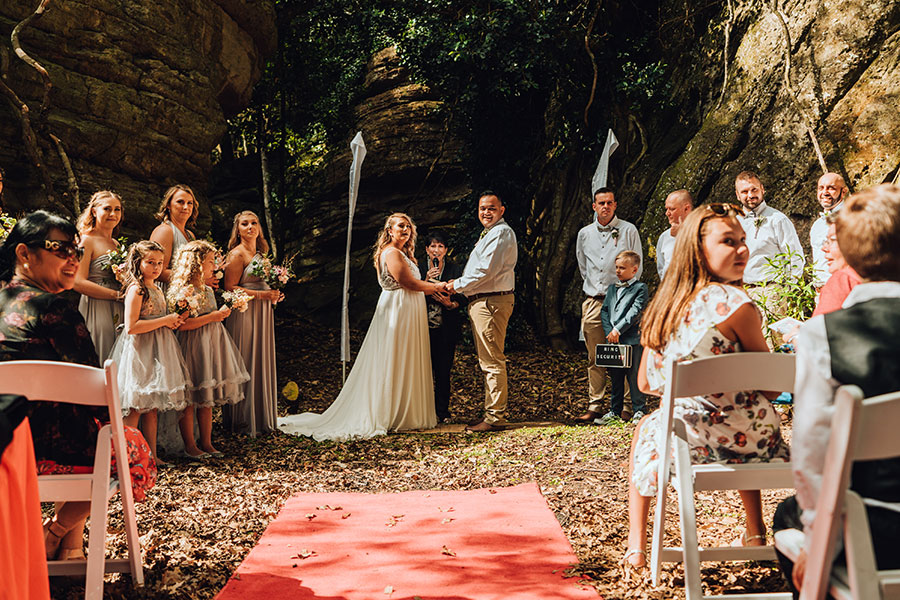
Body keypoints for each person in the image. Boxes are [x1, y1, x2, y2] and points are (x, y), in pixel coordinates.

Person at [622, 204, 790, 568]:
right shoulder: (738, 305)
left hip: (687, 443)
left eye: (743, 240)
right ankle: (755, 529)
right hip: (753, 439)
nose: (742, 249)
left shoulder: (664, 307)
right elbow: (772, 383)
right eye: (729, 241)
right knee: (740, 410)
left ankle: (637, 545)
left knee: (647, 426)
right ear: (699, 250)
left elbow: (646, 382)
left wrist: (694, 397)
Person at [0, 210, 156, 561]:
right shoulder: (56, 310)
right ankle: (54, 533)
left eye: (77, 251)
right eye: (60, 249)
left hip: (6, 443)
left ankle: (71, 549)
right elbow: (97, 395)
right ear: (24, 254)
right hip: (48, 451)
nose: (72, 259)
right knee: (131, 450)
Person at [773, 184, 900, 594]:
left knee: (787, 517)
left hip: (876, 529)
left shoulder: (821, 336)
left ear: (848, 252)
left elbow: (811, 452)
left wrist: (819, 543)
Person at [278, 213, 441, 440]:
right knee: (395, 356)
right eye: (400, 226)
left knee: (406, 356)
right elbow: (408, 283)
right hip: (398, 309)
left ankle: (404, 411)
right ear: (390, 231)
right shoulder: (392, 253)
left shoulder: (403, 253)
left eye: (408, 227)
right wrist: (439, 287)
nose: (405, 230)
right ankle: (389, 412)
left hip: (408, 307)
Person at [108, 241, 191, 466]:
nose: (156, 267)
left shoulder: (156, 288)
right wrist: (164, 320)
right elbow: (131, 326)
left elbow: (159, 317)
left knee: (152, 407)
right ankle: (127, 458)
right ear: (138, 263)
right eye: (150, 262)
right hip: (140, 350)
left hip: (158, 348)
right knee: (136, 405)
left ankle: (151, 456)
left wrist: (173, 320)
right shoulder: (136, 289)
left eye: (160, 263)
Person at [168, 240, 249, 458]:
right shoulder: (184, 291)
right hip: (191, 345)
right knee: (189, 397)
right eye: (210, 261)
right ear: (196, 264)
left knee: (206, 397)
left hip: (211, 344)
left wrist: (222, 314)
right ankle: (190, 445)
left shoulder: (207, 289)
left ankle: (207, 442)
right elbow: (182, 324)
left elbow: (212, 315)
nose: (214, 266)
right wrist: (213, 317)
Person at [447, 192, 518, 432]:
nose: (486, 212)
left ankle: (495, 417)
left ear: (502, 210)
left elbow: (485, 271)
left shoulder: (501, 233)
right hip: (484, 300)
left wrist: (455, 286)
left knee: (492, 359)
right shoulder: (490, 233)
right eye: (482, 208)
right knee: (487, 359)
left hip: (491, 301)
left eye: (491, 208)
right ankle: (492, 411)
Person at [574, 187, 643, 425]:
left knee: (624, 353)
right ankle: (595, 404)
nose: (605, 207)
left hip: (622, 299)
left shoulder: (628, 230)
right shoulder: (584, 234)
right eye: (601, 203)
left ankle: (625, 406)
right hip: (594, 300)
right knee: (595, 355)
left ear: (615, 205)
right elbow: (584, 266)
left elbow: (637, 265)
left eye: (609, 203)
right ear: (594, 206)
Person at [222, 211, 283, 437]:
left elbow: (264, 284)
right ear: (237, 230)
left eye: (254, 223)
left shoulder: (261, 254)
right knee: (246, 357)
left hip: (263, 313)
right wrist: (261, 296)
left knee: (260, 358)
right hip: (245, 312)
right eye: (244, 224)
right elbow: (229, 287)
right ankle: (242, 420)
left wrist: (274, 294)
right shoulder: (236, 254)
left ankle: (260, 416)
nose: (250, 227)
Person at [734, 171, 804, 312]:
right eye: (744, 192)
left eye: (754, 190)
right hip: (742, 294)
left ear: (762, 189)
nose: (750, 195)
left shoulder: (778, 220)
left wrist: (786, 291)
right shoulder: (733, 223)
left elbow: (795, 257)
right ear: (737, 195)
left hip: (771, 293)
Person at [419, 231, 466, 422]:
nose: (436, 250)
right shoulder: (418, 268)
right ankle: (422, 412)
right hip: (421, 327)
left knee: (443, 370)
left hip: (446, 328)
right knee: (421, 370)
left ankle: (442, 412)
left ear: (446, 250)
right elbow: (410, 293)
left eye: (440, 246)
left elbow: (464, 295)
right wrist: (425, 281)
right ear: (426, 249)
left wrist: (450, 304)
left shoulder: (455, 269)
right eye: (433, 246)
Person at [74, 190, 126, 361]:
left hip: (120, 307)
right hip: (97, 307)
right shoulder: (86, 240)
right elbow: (78, 282)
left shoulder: (116, 244)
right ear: (94, 211)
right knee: (102, 353)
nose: (113, 214)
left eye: (117, 209)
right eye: (107, 209)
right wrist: (116, 295)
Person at [599, 251, 648, 424]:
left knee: (634, 376)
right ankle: (614, 411)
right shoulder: (612, 288)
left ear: (634, 270)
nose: (618, 271)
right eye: (617, 267)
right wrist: (609, 332)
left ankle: (639, 410)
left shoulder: (640, 288)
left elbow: (635, 312)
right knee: (616, 377)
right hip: (614, 339)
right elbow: (605, 310)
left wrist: (618, 330)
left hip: (631, 339)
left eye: (622, 268)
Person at [810, 217, 860, 317]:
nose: (824, 248)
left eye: (832, 240)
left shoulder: (844, 280)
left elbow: (821, 325)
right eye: (826, 241)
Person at [809, 172, 847, 288]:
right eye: (821, 188)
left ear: (843, 191)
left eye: (831, 188)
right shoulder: (817, 225)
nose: (825, 192)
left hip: (841, 287)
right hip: (820, 290)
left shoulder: (850, 219)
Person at [655, 189, 693, 280]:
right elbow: (661, 269)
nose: (667, 213)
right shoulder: (664, 237)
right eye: (666, 209)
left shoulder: (703, 231)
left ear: (686, 209)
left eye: (672, 209)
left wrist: (683, 233)